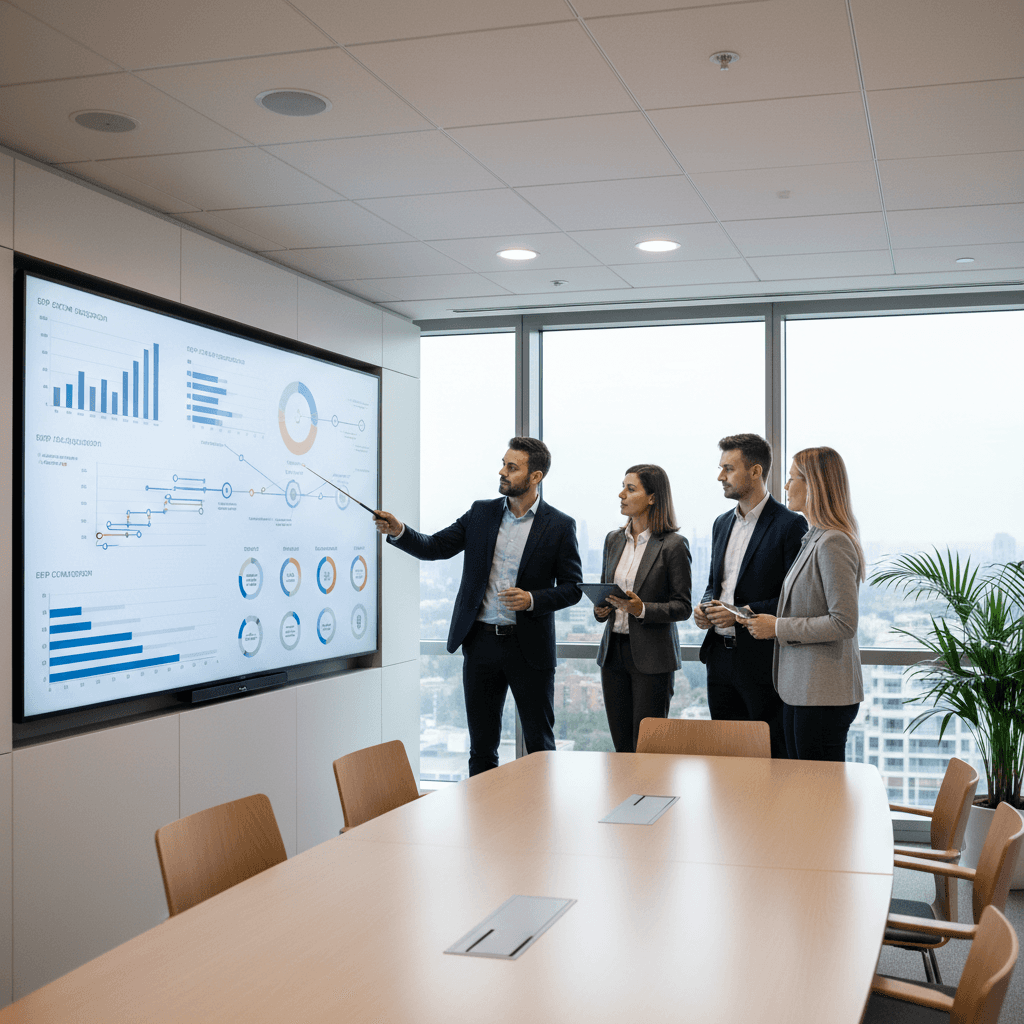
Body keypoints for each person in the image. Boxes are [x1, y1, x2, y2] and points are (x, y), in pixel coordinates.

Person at [374, 437, 582, 776]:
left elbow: (573, 589)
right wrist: (399, 531)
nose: (502, 472)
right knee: (482, 749)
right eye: (503, 464)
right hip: (481, 644)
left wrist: (532, 599)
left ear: (535, 477)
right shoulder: (481, 513)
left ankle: (540, 809)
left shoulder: (559, 525)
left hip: (529, 648)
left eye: (512, 467)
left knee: (540, 745)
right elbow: (436, 547)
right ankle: (483, 811)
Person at [739, 447, 865, 761]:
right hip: (804, 691)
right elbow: (807, 604)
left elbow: (843, 622)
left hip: (823, 695)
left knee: (816, 786)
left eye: (792, 478)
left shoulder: (833, 541)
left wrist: (777, 628)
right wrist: (759, 614)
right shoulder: (814, 538)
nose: (785, 486)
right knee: (802, 782)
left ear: (814, 486)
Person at [694, 434, 806, 758]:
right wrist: (705, 608)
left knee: (770, 758)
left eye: (728, 469)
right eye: (721, 468)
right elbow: (715, 585)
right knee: (725, 758)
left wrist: (739, 614)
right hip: (718, 659)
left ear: (756, 471)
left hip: (762, 663)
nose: (720, 476)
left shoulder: (790, 525)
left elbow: (794, 600)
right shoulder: (720, 524)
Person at [594, 465, 692, 752]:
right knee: (622, 747)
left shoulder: (673, 545)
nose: (621, 494)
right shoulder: (613, 540)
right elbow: (604, 591)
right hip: (613, 654)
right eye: (622, 487)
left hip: (652, 657)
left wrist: (642, 609)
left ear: (652, 497)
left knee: (648, 748)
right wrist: (601, 610)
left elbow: (683, 606)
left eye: (631, 489)